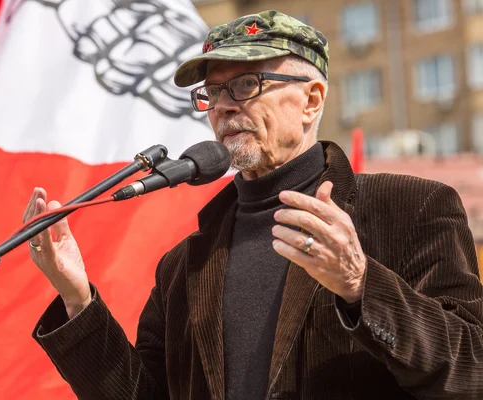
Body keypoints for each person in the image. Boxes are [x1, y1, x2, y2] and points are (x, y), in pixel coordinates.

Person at [24, 10, 483, 400]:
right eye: (212, 91)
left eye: (245, 83)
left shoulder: (413, 207)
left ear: (311, 99)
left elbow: (471, 366)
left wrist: (361, 284)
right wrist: (76, 297)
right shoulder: (184, 266)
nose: (222, 106)